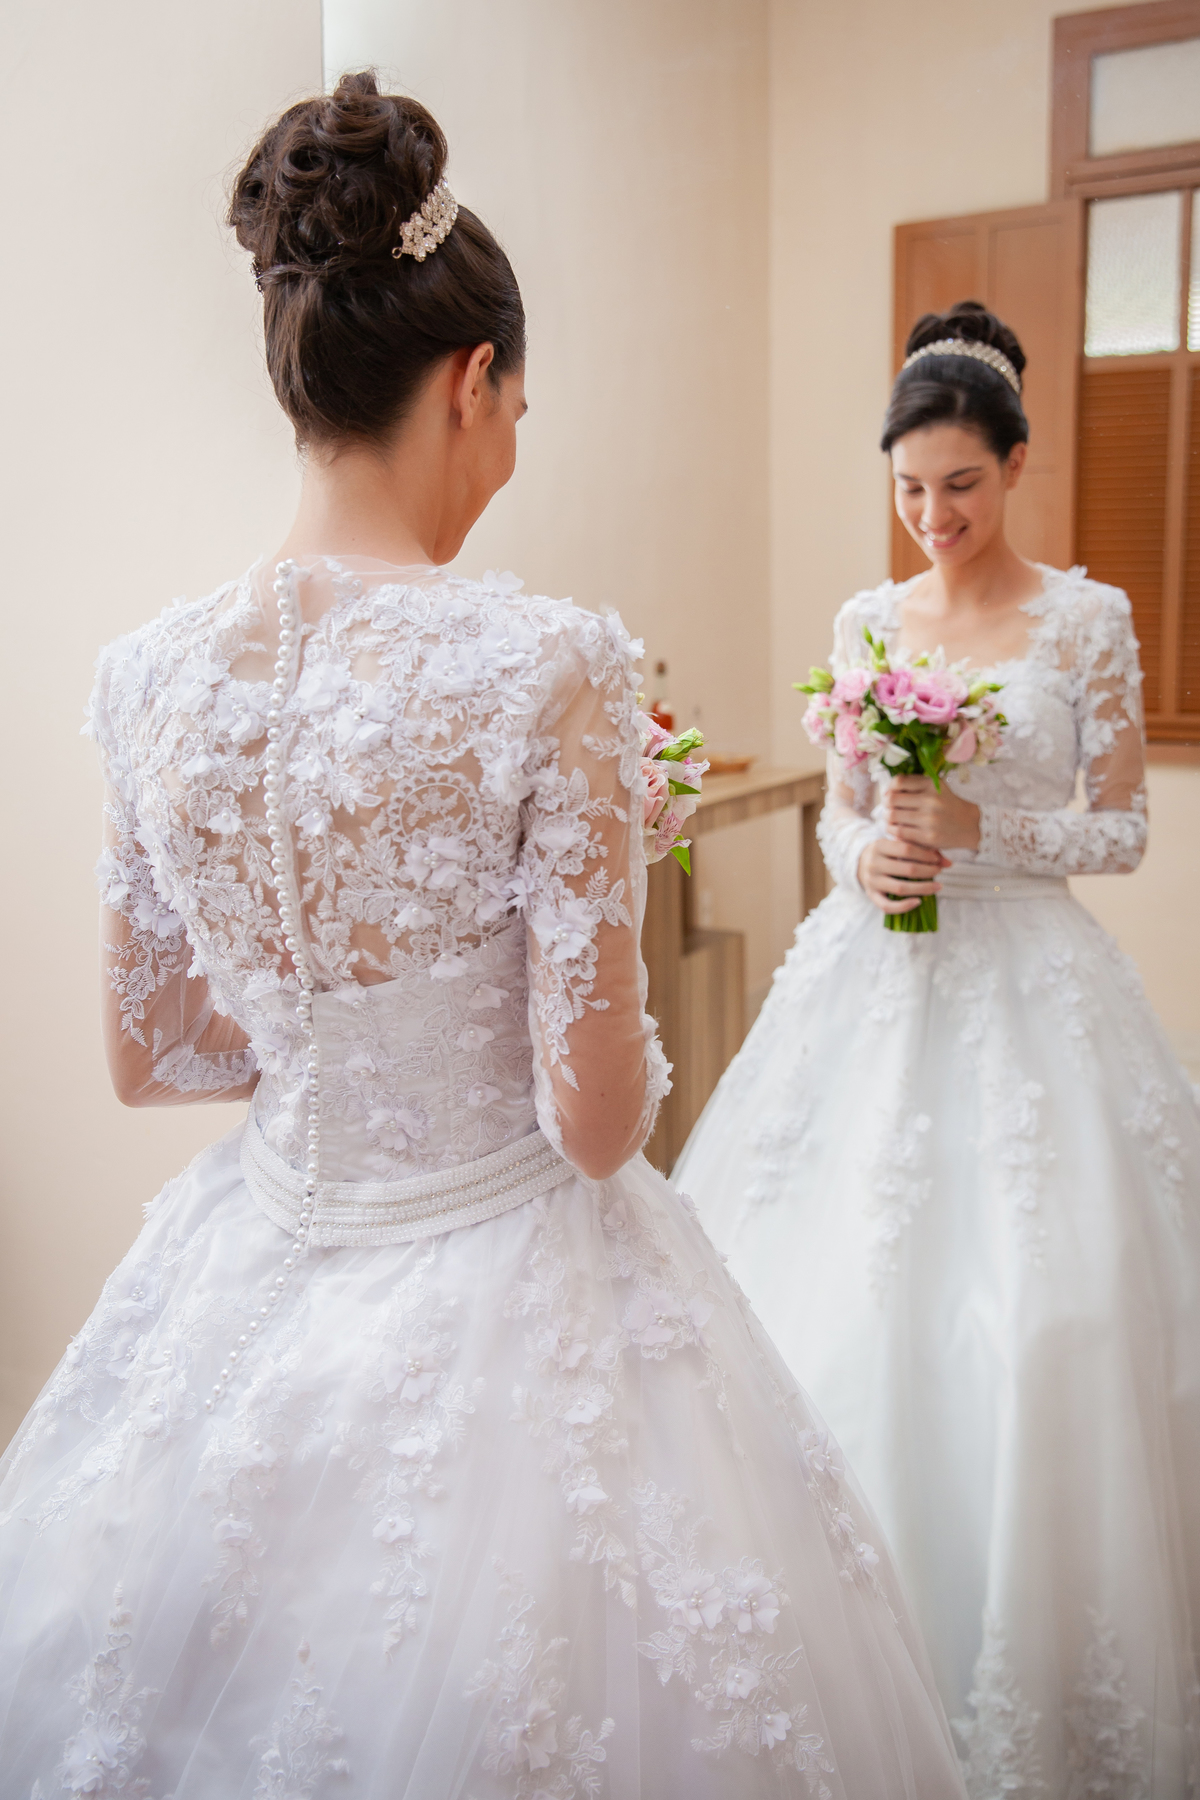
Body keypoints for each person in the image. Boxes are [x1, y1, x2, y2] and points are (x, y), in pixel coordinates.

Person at [0, 73, 964, 1799]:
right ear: (471, 383)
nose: (515, 448)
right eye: (520, 406)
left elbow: (152, 1053)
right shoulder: (548, 664)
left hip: (253, 1264)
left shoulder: (147, 680)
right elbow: (595, 1118)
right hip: (508, 1291)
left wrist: (334, 1041)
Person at [676, 299, 1200, 1796]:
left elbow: (1124, 827)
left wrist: (991, 832)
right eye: (909, 490)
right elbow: (848, 806)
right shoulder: (865, 623)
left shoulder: (1088, 621)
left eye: (959, 485)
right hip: (877, 984)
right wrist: (867, 864)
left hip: (1033, 976)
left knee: (1050, 1310)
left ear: (1017, 464)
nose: (932, 519)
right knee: (825, 1293)